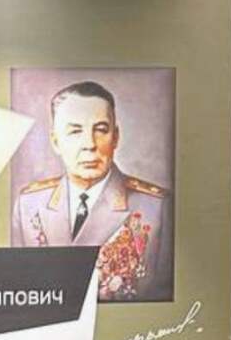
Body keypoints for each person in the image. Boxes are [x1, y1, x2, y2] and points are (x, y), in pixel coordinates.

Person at [12, 79, 172, 301]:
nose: (89, 144)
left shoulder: (157, 209)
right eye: (75, 131)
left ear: (115, 137)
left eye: (101, 130)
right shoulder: (29, 205)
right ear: (55, 142)